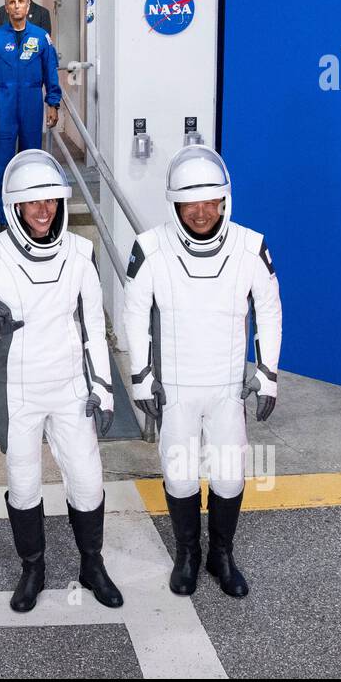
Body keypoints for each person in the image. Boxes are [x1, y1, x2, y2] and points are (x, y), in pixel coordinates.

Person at [0, 150, 122, 613]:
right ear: (15, 208)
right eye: (33, 203)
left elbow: (92, 326)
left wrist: (103, 389)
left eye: (50, 200)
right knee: (24, 485)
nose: (44, 211)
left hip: (70, 389)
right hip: (18, 392)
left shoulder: (80, 252)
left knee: (87, 481)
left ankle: (92, 564)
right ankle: (33, 568)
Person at [122, 145, 282, 599]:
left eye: (211, 201)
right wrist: (141, 375)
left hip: (227, 388)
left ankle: (222, 555)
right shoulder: (150, 248)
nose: (201, 212)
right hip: (174, 389)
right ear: (174, 203)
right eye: (190, 202)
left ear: (224, 200)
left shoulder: (251, 245)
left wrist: (268, 373)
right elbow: (135, 312)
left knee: (230, 476)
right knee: (180, 477)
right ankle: (188, 555)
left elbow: (269, 310)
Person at [0, 0, 61, 226]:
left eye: (21, 1)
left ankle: (29, 215)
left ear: (28, 6)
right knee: (4, 166)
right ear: (6, 8)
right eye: (12, 2)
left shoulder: (41, 37)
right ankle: (5, 217)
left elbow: (50, 73)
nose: (16, 6)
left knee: (31, 162)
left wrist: (53, 103)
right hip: (4, 105)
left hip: (31, 104)